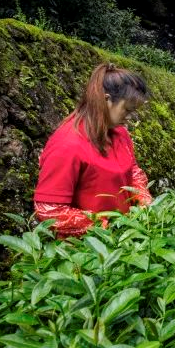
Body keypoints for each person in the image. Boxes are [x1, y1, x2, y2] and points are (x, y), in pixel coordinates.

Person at [34, 63, 152, 237]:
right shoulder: (67, 144)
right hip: (84, 249)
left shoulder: (119, 133)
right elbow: (49, 209)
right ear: (105, 100)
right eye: (127, 110)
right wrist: (104, 228)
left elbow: (132, 170)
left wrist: (143, 201)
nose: (130, 118)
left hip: (123, 236)